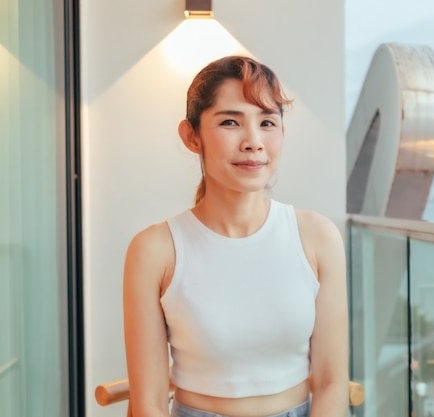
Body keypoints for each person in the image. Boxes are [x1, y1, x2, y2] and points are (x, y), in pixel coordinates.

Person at [123, 55, 349, 417]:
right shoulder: (154, 250)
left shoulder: (318, 238)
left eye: (267, 122)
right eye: (230, 121)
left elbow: (332, 385)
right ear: (191, 136)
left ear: (282, 133)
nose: (253, 142)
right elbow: (147, 403)